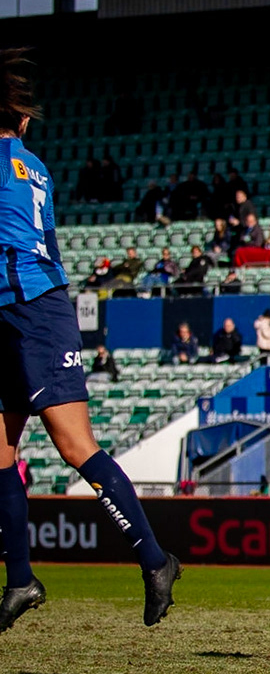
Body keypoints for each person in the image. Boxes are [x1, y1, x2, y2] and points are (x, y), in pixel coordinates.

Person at [0, 49, 182, 633]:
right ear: (22, 121)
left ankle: (155, 560)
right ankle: (22, 580)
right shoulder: (33, 166)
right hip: (19, 306)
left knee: (74, 445)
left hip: (33, 310)